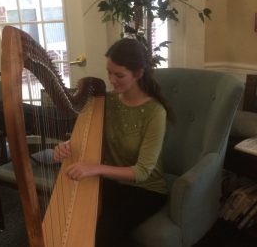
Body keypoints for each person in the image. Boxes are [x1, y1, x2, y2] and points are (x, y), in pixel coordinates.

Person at [53, 38, 174, 247]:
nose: (112, 79)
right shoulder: (103, 101)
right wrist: (66, 146)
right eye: (109, 72)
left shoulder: (155, 112)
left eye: (119, 75)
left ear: (138, 73)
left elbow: (142, 172)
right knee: (75, 217)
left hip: (146, 189)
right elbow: (85, 138)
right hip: (111, 181)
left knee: (104, 232)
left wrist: (95, 169)